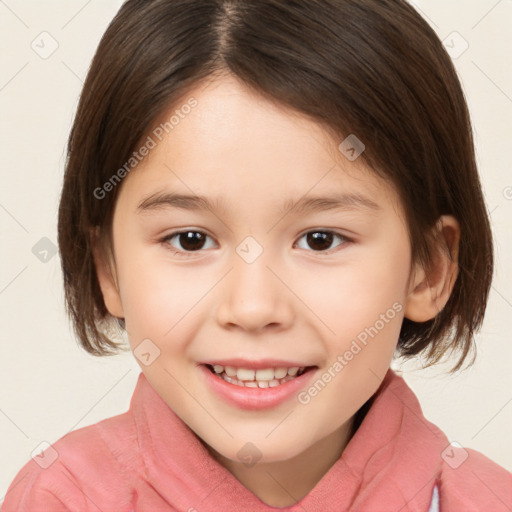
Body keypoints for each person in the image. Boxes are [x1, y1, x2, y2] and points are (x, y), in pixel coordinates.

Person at [3, 0, 511, 510]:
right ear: (107, 268)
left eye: (320, 239)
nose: (252, 308)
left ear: (429, 269)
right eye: (190, 239)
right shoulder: (60, 498)